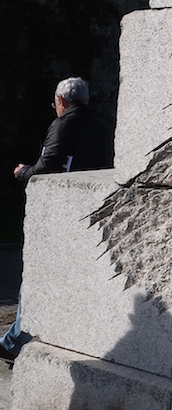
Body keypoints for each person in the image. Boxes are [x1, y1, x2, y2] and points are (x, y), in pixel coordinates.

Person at [0, 77, 112, 363]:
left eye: (55, 103)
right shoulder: (102, 127)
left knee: (37, 276)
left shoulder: (63, 124)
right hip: (93, 212)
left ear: (61, 101)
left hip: (63, 214)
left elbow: (47, 167)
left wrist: (23, 172)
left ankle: (14, 343)